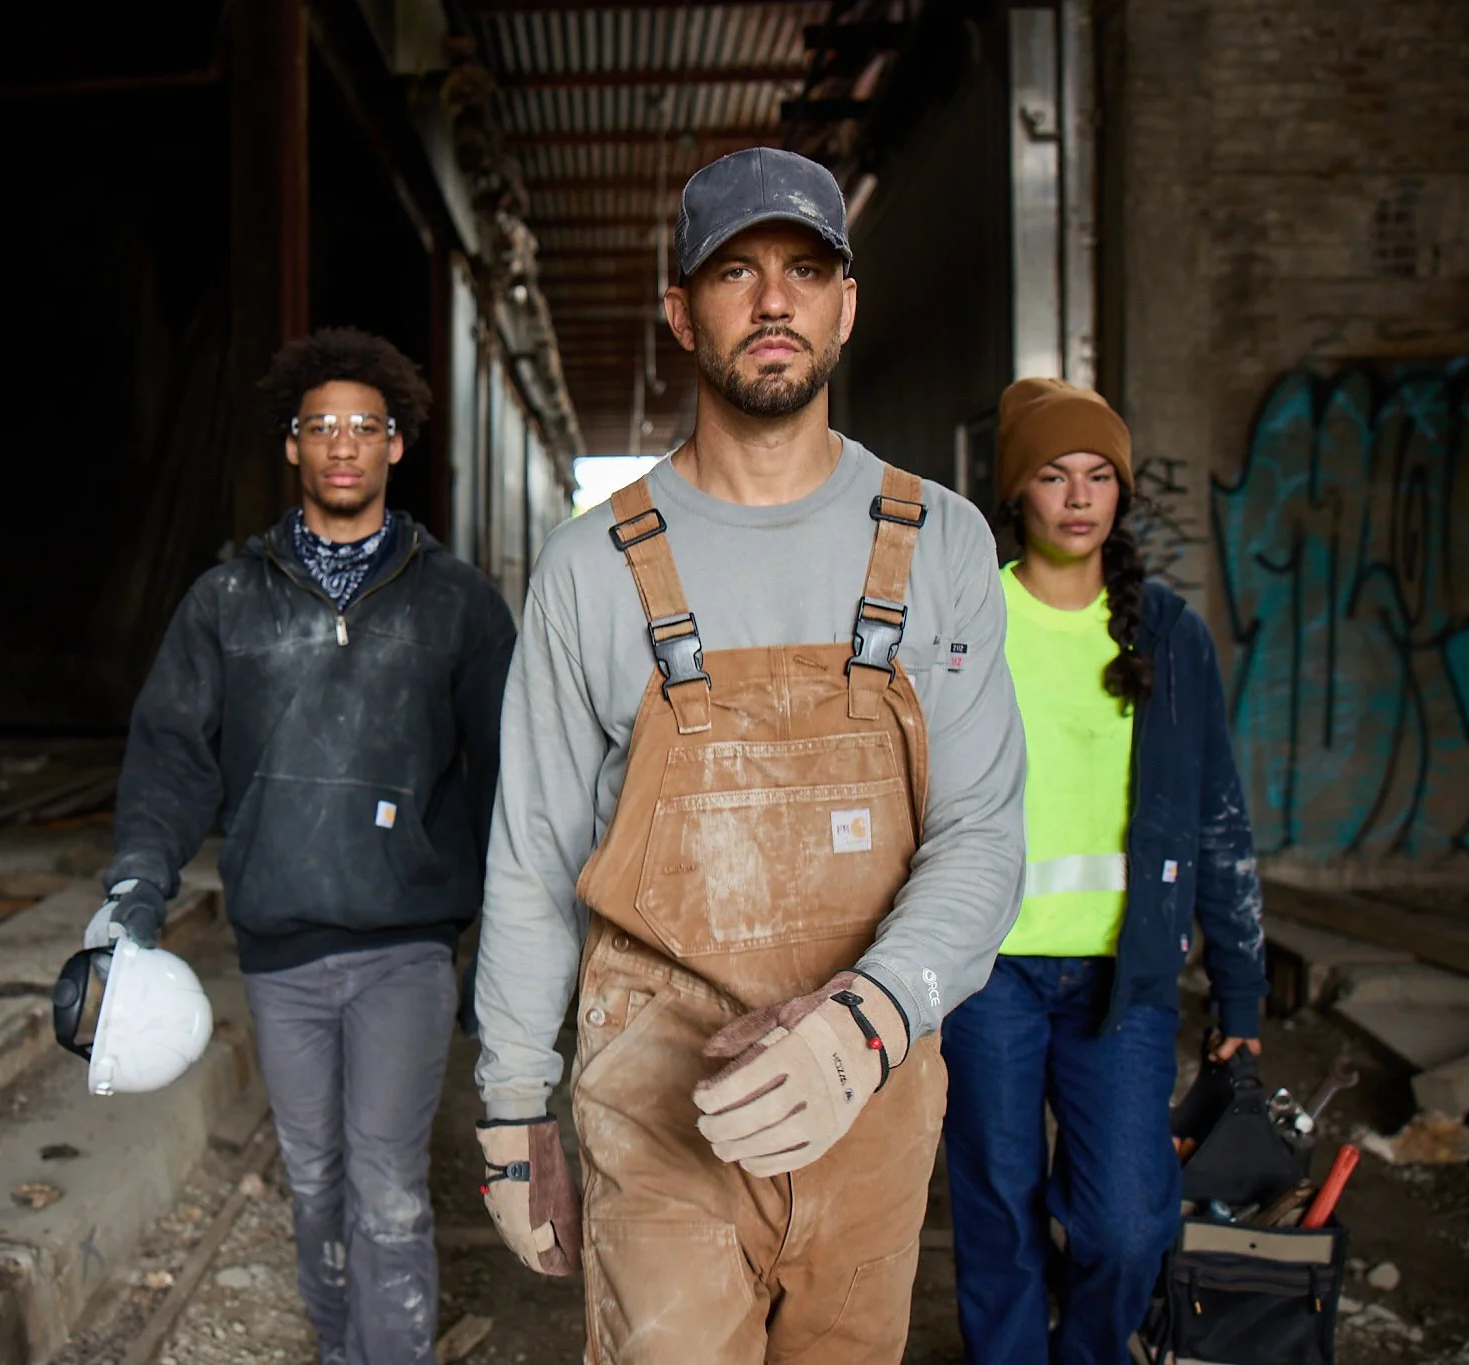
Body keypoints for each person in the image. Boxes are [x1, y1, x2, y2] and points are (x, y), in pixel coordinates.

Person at [469, 147, 1027, 1363]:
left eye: (804, 268)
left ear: (844, 303)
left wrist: (874, 1018)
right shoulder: (588, 569)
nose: (772, 301)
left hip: (867, 1102)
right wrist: (512, 1110)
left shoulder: (940, 545)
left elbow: (982, 832)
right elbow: (532, 855)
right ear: (681, 311)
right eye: (734, 271)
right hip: (655, 1098)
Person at [90, 327, 517, 1365]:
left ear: (395, 446)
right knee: (316, 1180)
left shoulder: (453, 602)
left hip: (403, 948)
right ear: (291, 445)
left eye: (362, 428)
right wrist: (134, 893)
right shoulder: (226, 603)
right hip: (280, 951)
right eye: (318, 426)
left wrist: (505, 949)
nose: (340, 446)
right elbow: (171, 760)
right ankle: (341, 1351)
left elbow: (511, 777)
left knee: (383, 1184)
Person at [939, 378, 1268, 1365]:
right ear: (1016, 495)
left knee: (1124, 1226)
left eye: (1097, 477)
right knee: (995, 1210)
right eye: (1052, 475)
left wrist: (1240, 1000)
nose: (1078, 498)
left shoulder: (1165, 634)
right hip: (985, 975)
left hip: (1121, 983)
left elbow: (1216, 816)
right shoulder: (965, 629)